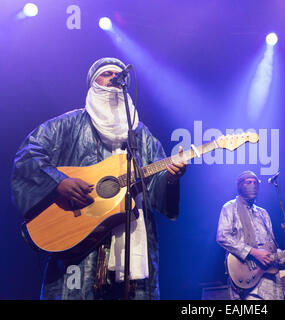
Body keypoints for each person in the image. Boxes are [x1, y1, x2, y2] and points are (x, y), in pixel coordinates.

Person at [11, 57, 187, 300]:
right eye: (106, 74)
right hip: (80, 241)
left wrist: (170, 178)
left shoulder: (141, 134)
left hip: (132, 244)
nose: (114, 78)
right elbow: (28, 154)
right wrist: (58, 182)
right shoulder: (70, 124)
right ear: (93, 83)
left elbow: (154, 189)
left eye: (118, 74)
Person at [216, 170, 285, 300]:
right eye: (248, 182)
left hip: (272, 283)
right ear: (239, 186)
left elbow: (272, 250)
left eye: (255, 183)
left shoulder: (263, 214)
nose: (253, 186)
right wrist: (254, 252)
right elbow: (222, 237)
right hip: (247, 280)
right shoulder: (230, 207)